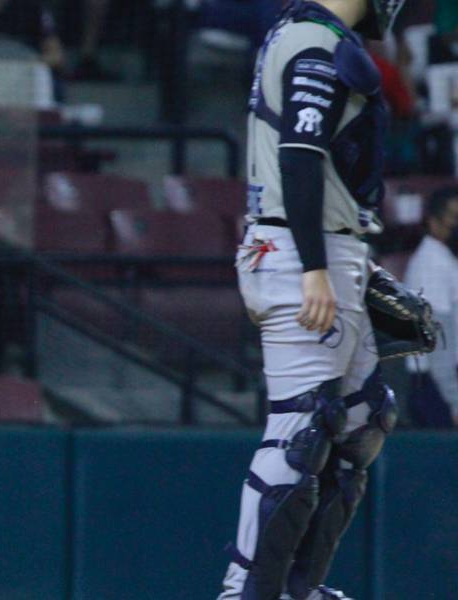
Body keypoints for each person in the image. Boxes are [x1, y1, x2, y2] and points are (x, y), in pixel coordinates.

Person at [221, 1, 405, 599]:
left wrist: (344, 263)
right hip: (301, 251)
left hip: (325, 245)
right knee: (299, 429)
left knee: (362, 416)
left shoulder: (313, 33)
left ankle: (295, 589)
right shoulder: (312, 38)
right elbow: (299, 155)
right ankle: (245, 590)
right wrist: (315, 267)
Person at [405, 187, 458, 428]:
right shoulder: (431, 263)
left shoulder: (446, 258)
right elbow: (438, 340)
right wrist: (455, 401)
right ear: (433, 221)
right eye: (453, 217)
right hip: (435, 387)